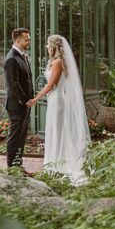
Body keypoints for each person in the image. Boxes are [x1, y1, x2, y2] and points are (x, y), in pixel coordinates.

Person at [29, 34, 90, 183]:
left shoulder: (58, 62)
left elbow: (51, 85)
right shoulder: (53, 62)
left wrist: (35, 99)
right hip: (53, 100)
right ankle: (53, 165)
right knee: (55, 131)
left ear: (54, 46)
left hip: (57, 101)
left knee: (58, 132)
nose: (46, 47)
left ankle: (59, 166)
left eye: (48, 45)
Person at [4, 27, 34, 172]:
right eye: (26, 39)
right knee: (15, 137)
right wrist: (25, 100)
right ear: (17, 40)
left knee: (21, 136)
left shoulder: (22, 55)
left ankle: (18, 165)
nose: (29, 41)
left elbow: (27, 80)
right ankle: (12, 168)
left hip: (24, 105)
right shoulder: (11, 58)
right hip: (16, 105)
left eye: (29, 39)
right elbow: (13, 85)